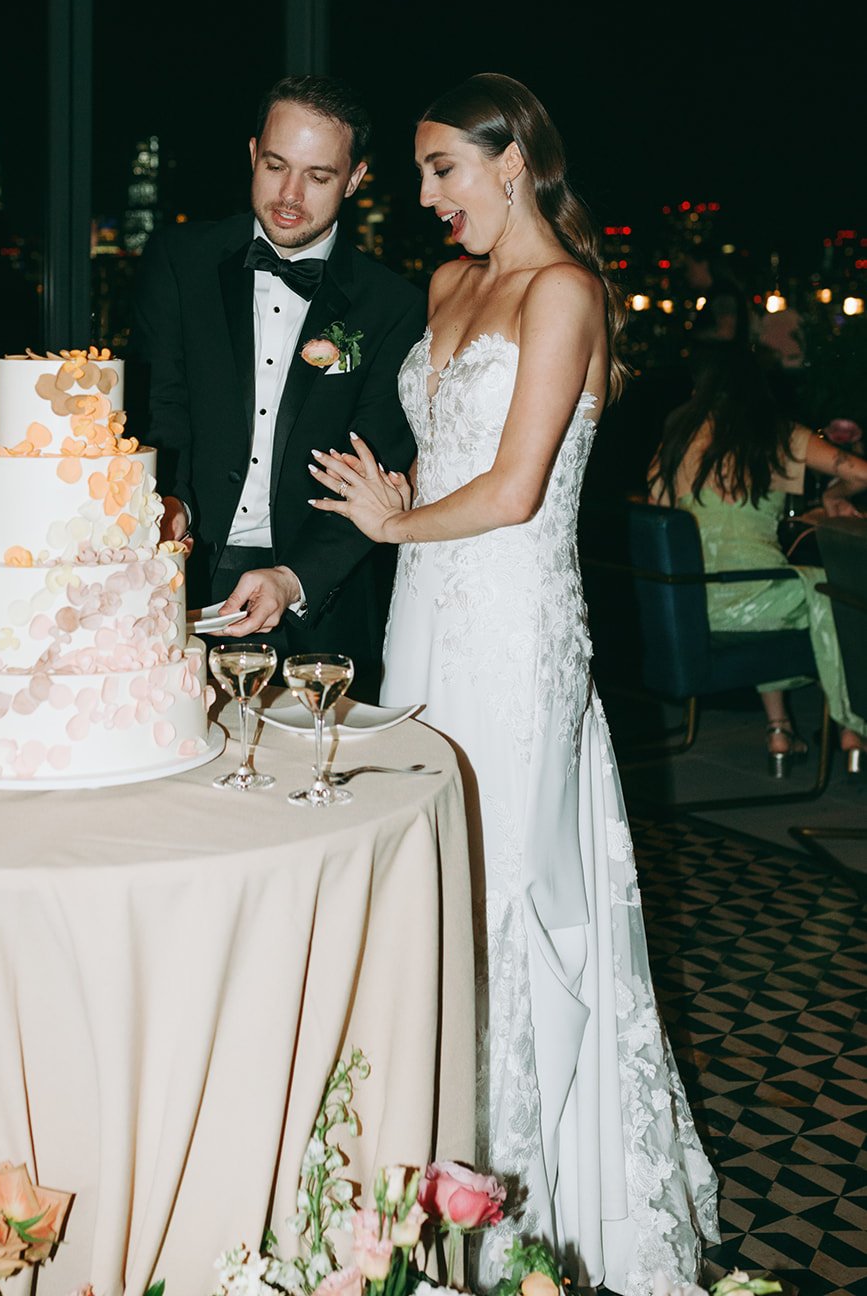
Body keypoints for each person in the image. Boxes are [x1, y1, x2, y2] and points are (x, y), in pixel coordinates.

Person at [310, 74, 718, 1293]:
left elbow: (512, 488)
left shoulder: (566, 292)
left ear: (511, 162)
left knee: (509, 894)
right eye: (423, 171)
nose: (426, 196)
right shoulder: (443, 286)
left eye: (443, 170)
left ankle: (522, 1215)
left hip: (513, 628)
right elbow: (437, 456)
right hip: (423, 627)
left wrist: (395, 524)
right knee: (427, 879)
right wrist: (380, 508)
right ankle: (422, 1175)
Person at [130, 75, 425, 692]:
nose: (290, 195)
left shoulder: (393, 306)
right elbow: (163, 411)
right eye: (275, 166)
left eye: (318, 176)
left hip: (319, 601)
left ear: (355, 179)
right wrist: (172, 505)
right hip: (185, 585)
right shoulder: (180, 259)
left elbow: (376, 466)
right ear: (252, 155)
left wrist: (295, 577)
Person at [649, 345, 867, 766]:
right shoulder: (778, 435)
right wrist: (837, 491)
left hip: (688, 605)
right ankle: (852, 728)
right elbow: (859, 471)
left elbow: (660, 512)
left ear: (702, 387)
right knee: (835, 594)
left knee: (783, 585)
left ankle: (779, 729)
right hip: (759, 600)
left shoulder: (676, 438)